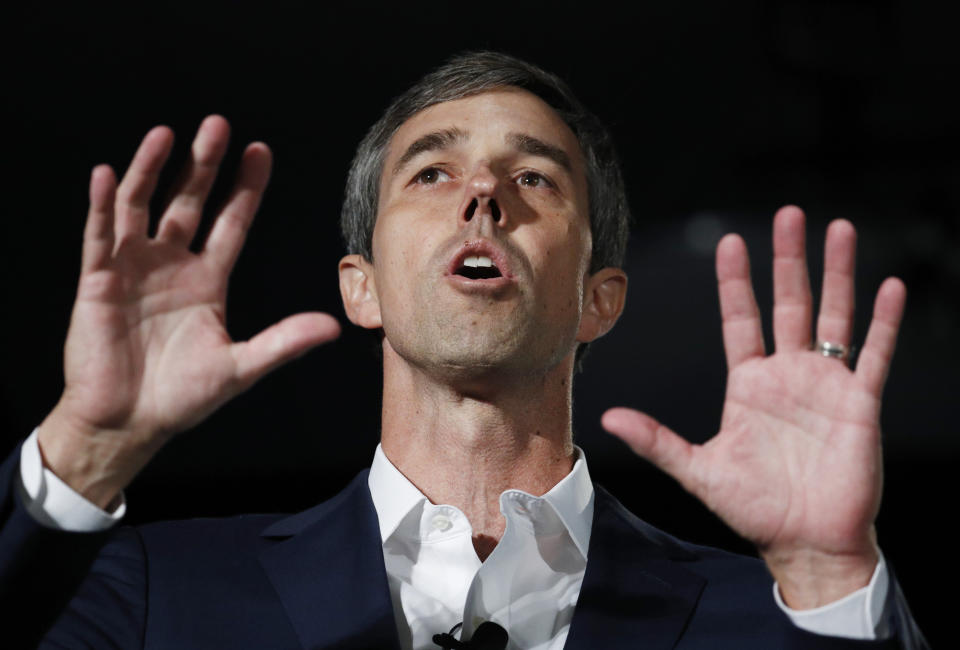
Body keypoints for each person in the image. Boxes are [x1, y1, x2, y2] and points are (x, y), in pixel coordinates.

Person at [0, 52, 928, 648]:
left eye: (534, 176)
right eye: (433, 171)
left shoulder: (781, 618)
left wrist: (824, 577)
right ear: (359, 286)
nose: (483, 192)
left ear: (598, 301)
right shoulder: (157, 593)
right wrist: (89, 447)